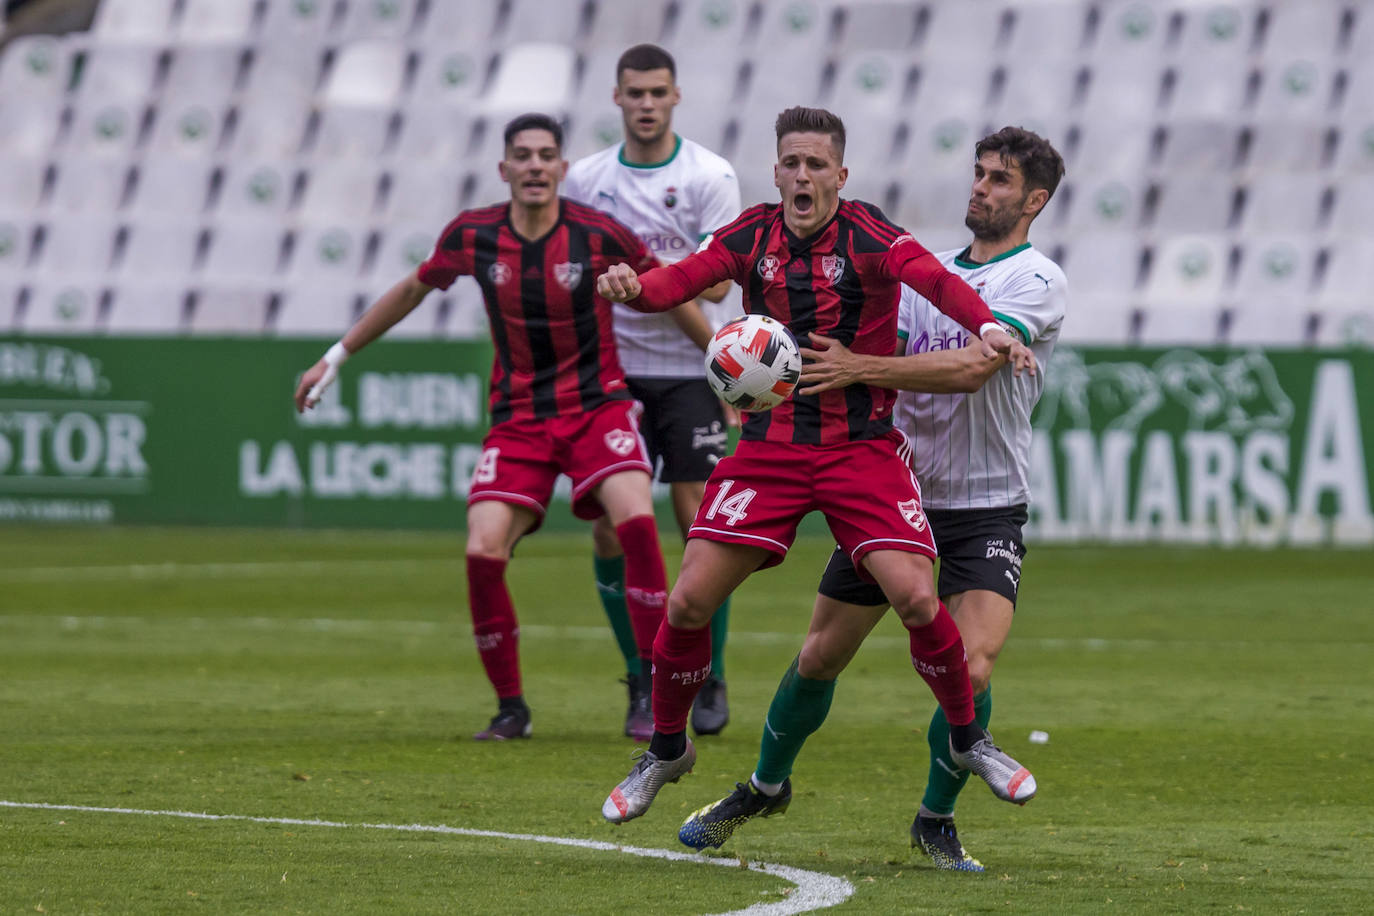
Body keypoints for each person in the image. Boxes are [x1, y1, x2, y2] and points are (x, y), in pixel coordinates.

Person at [594, 106, 1039, 826]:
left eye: (816, 164)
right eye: (791, 164)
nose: (802, 175)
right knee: (686, 603)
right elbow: (673, 285)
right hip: (767, 453)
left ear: (840, 174)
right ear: (776, 173)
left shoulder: (873, 236)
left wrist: (987, 325)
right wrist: (631, 288)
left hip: (859, 451)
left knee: (917, 600)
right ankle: (668, 750)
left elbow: (937, 283)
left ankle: (967, 738)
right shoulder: (749, 236)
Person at [293, 113, 673, 742]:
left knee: (633, 519)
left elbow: (667, 286)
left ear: (562, 169)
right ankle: (511, 709)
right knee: (482, 548)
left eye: (545, 155)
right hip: (520, 418)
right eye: (521, 156)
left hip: (597, 406)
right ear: (504, 169)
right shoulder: (475, 235)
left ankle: (649, 688)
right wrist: (334, 358)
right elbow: (413, 290)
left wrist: (718, 356)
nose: (533, 166)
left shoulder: (600, 233)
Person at [563, 44, 743, 740]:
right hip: (613, 373)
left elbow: (721, 281)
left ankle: (710, 670)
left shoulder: (709, 175)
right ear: (617, 98)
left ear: (675, 97)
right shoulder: (587, 178)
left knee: (701, 520)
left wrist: (642, 275)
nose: (645, 103)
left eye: (657, 92)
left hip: (691, 370)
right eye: (633, 92)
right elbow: (574, 270)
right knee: (611, 523)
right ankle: (642, 675)